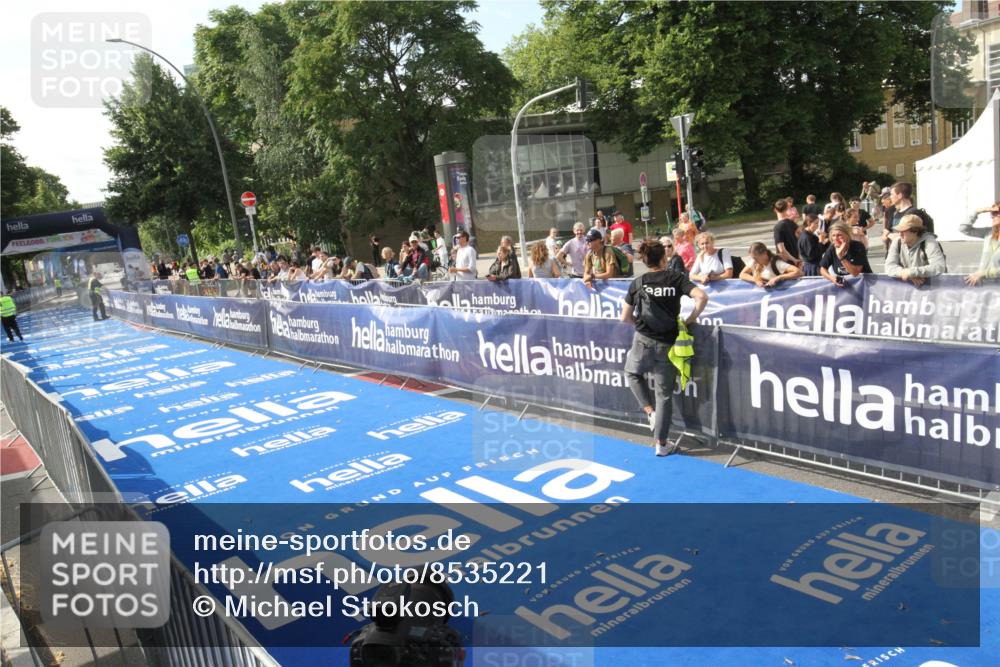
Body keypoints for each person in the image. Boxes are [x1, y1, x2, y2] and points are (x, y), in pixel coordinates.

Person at [620, 239, 708, 456]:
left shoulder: (638, 282)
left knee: (631, 373)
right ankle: (661, 443)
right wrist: (690, 319)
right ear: (664, 258)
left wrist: (640, 327)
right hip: (668, 344)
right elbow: (702, 296)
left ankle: (649, 412)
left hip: (642, 341)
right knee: (664, 395)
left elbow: (624, 317)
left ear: (646, 260)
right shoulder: (675, 278)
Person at [884, 215, 947, 287]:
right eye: (899, 230)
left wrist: (912, 272)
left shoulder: (929, 242)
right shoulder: (897, 242)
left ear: (915, 231)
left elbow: (939, 267)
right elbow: (889, 267)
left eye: (903, 231)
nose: (900, 234)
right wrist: (904, 273)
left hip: (932, 288)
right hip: (908, 288)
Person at [820, 222, 872, 287]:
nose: (836, 238)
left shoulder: (858, 246)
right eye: (833, 235)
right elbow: (822, 269)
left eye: (839, 235)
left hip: (863, 285)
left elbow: (855, 273)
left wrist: (841, 257)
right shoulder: (832, 248)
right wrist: (832, 278)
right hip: (845, 288)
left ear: (847, 235)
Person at [960, 202, 1000, 286]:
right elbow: (964, 229)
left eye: (996, 213)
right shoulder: (990, 233)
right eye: (991, 213)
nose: (992, 216)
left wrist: (982, 273)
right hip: (986, 285)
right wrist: (977, 211)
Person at [772, 199, 803, 266]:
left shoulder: (778, 227)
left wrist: (794, 260)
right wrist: (799, 256)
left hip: (787, 263)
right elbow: (801, 238)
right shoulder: (793, 223)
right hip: (796, 258)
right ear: (787, 208)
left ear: (775, 210)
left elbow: (781, 250)